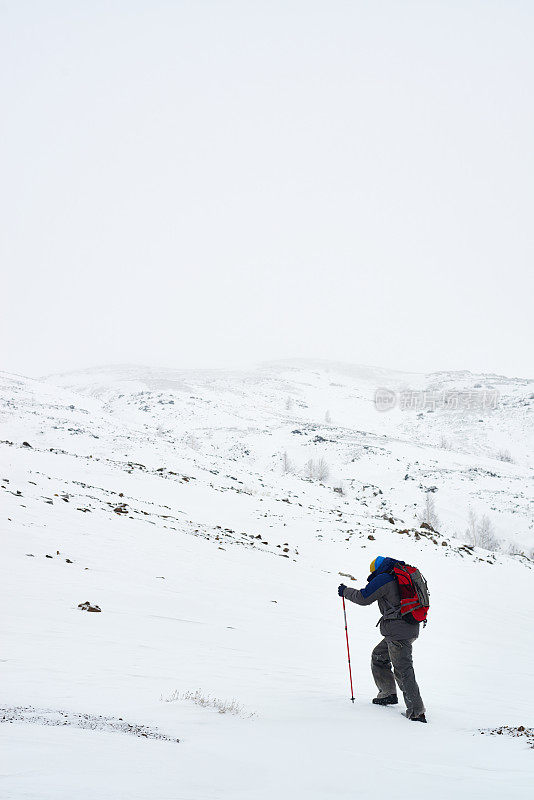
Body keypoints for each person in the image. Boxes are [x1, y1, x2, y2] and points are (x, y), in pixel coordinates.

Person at [338, 555, 427, 723]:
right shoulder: (399, 575)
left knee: (403, 670)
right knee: (379, 656)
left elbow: (363, 597)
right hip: (407, 628)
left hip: (398, 632)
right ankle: (388, 693)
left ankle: (417, 712)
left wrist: (345, 591)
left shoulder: (384, 578)